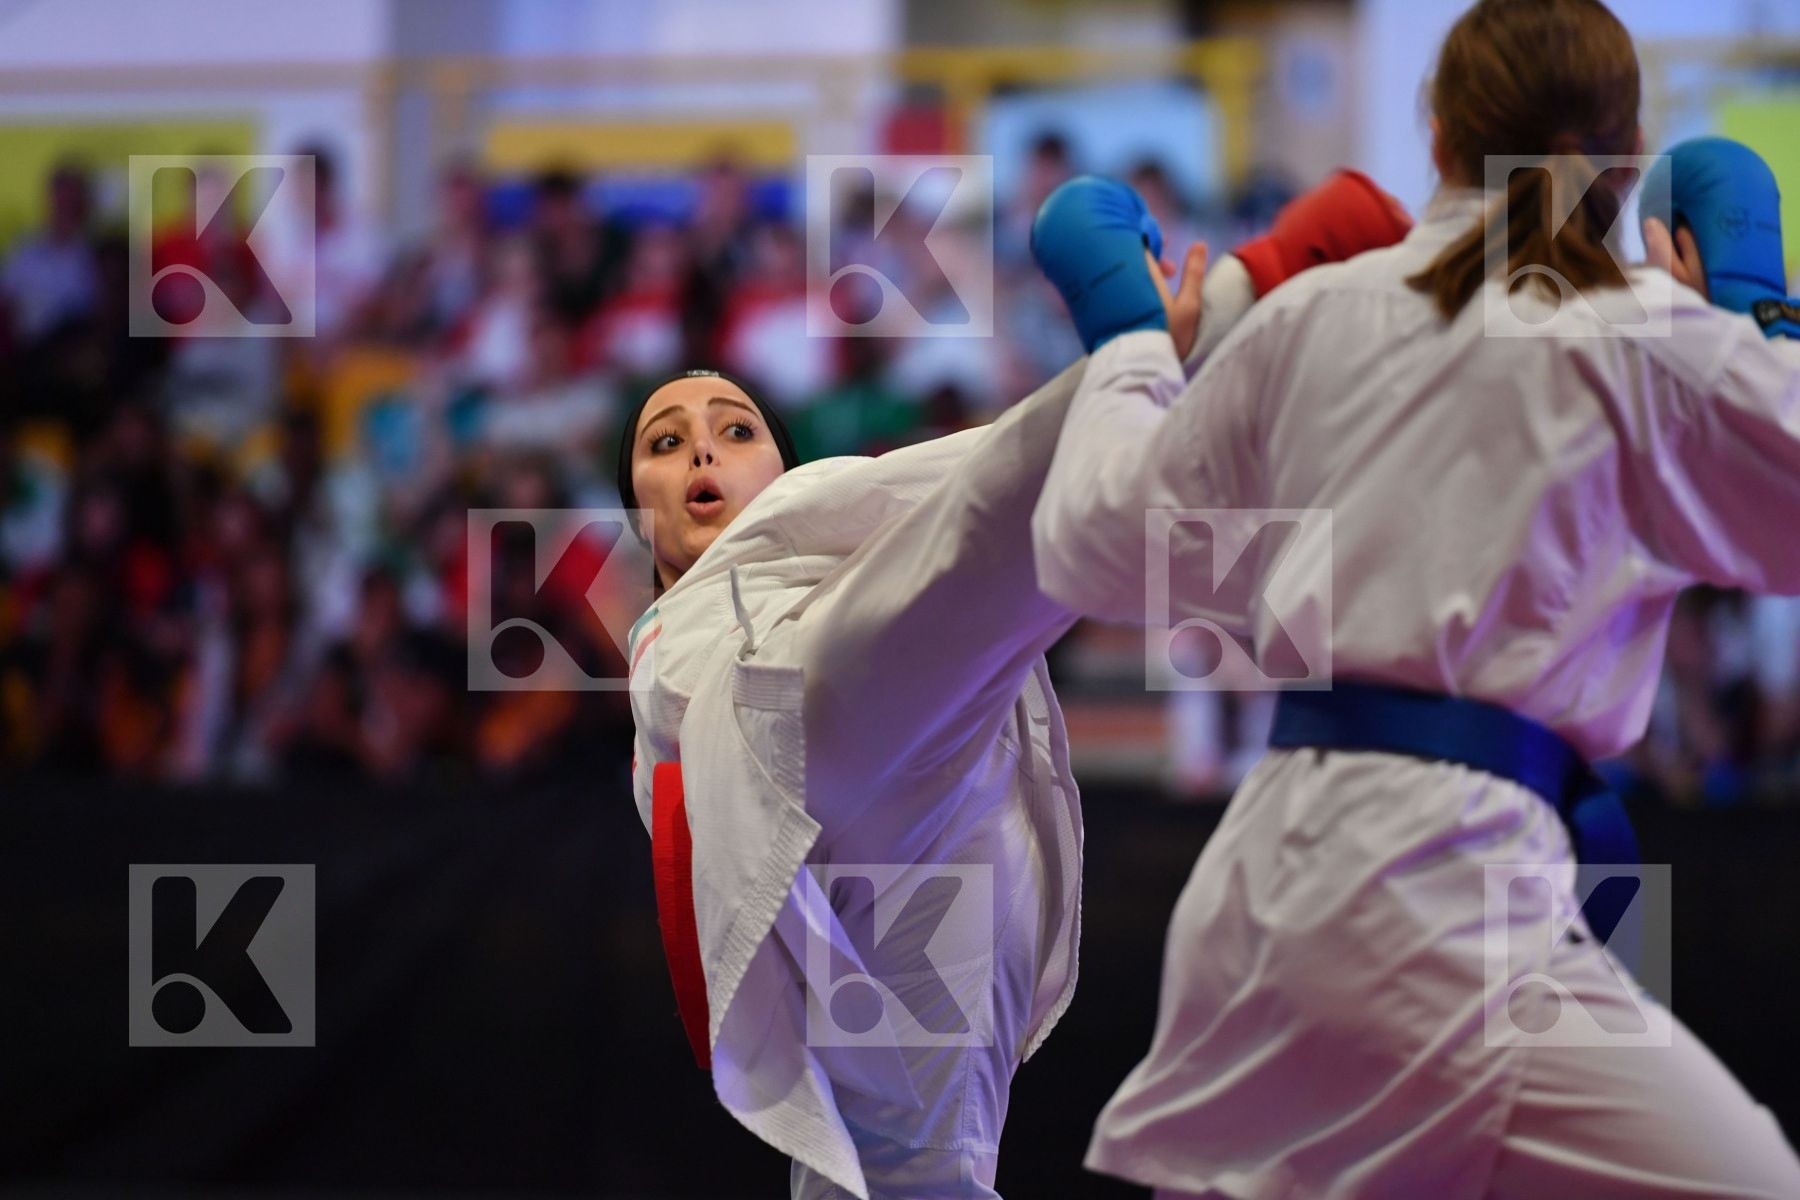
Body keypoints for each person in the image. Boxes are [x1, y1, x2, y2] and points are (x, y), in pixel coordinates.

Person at [1025, 1, 1800, 1197]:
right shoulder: (1647, 338)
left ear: (1434, 135)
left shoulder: (1309, 319)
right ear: (1631, 163)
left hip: (1273, 879)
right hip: (1448, 892)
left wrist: (1136, 341)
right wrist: (1754, 311)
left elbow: (1091, 549)